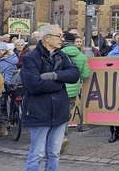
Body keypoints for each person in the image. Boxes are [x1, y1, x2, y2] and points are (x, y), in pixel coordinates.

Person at [21, 25, 80, 171]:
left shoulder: (61, 56)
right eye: (58, 36)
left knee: (54, 153)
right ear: (47, 38)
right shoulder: (31, 58)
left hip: (59, 111)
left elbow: (74, 74)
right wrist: (59, 84)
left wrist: (55, 76)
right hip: (39, 111)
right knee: (37, 154)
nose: (62, 39)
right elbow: (33, 85)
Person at [59, 32, 91, 152]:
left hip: (58, 89)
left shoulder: (58, 54)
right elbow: (86, 75)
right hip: (72, 91)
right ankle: (62, 136)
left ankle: (56, 138)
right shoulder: (82, 56)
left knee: (55, 114)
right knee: (65, 115)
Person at [0, 41, 18, 136]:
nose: (1, 52)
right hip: (13, 84)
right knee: (7, 105)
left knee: (1, 107)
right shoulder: (14, 58)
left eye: (3, 50)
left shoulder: (3, 61)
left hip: (4, 85)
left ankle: (2, 127)